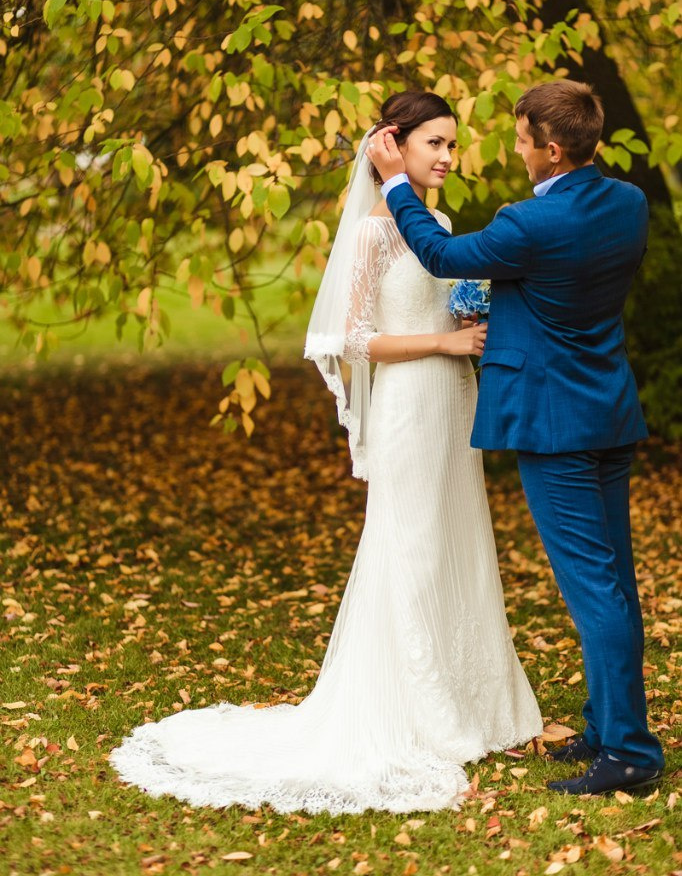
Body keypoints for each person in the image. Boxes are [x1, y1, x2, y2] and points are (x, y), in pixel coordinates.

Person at [109, 91, 542, 814]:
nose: (445, 156)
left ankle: (474, 700)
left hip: (451, 401)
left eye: (451, 145)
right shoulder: (375, 231)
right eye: (432, 142)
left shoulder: (432, 222)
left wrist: (466, 311)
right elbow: (351, 340)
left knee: (455, 544)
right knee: (411, 547)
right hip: (410, 403)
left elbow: (432, 300)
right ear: (392, 146)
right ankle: (419, 712)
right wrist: (443, 339)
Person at [367, 80, 664, 796]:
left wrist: (397, 185)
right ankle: (604, 723)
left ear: (551, 148)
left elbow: (441, 256)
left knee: (593, 590)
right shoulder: (628, 204)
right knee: (614, 580)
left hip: (554, 425)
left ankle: (629, 752)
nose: (517, 149)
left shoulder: (530, 225)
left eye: (524, 138)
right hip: (609, 413)